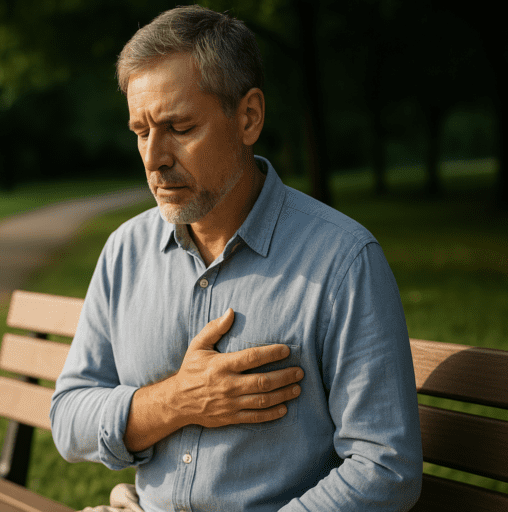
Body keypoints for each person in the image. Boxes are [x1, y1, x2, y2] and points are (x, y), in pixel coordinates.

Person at [50, 5, 422, 512]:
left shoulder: (343, 261)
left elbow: (384, 467)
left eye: (180, 127)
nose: (154, 159)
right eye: (141, 131)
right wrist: (175, 401)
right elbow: (68, 418)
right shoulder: (125, 251)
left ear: (248, 117)